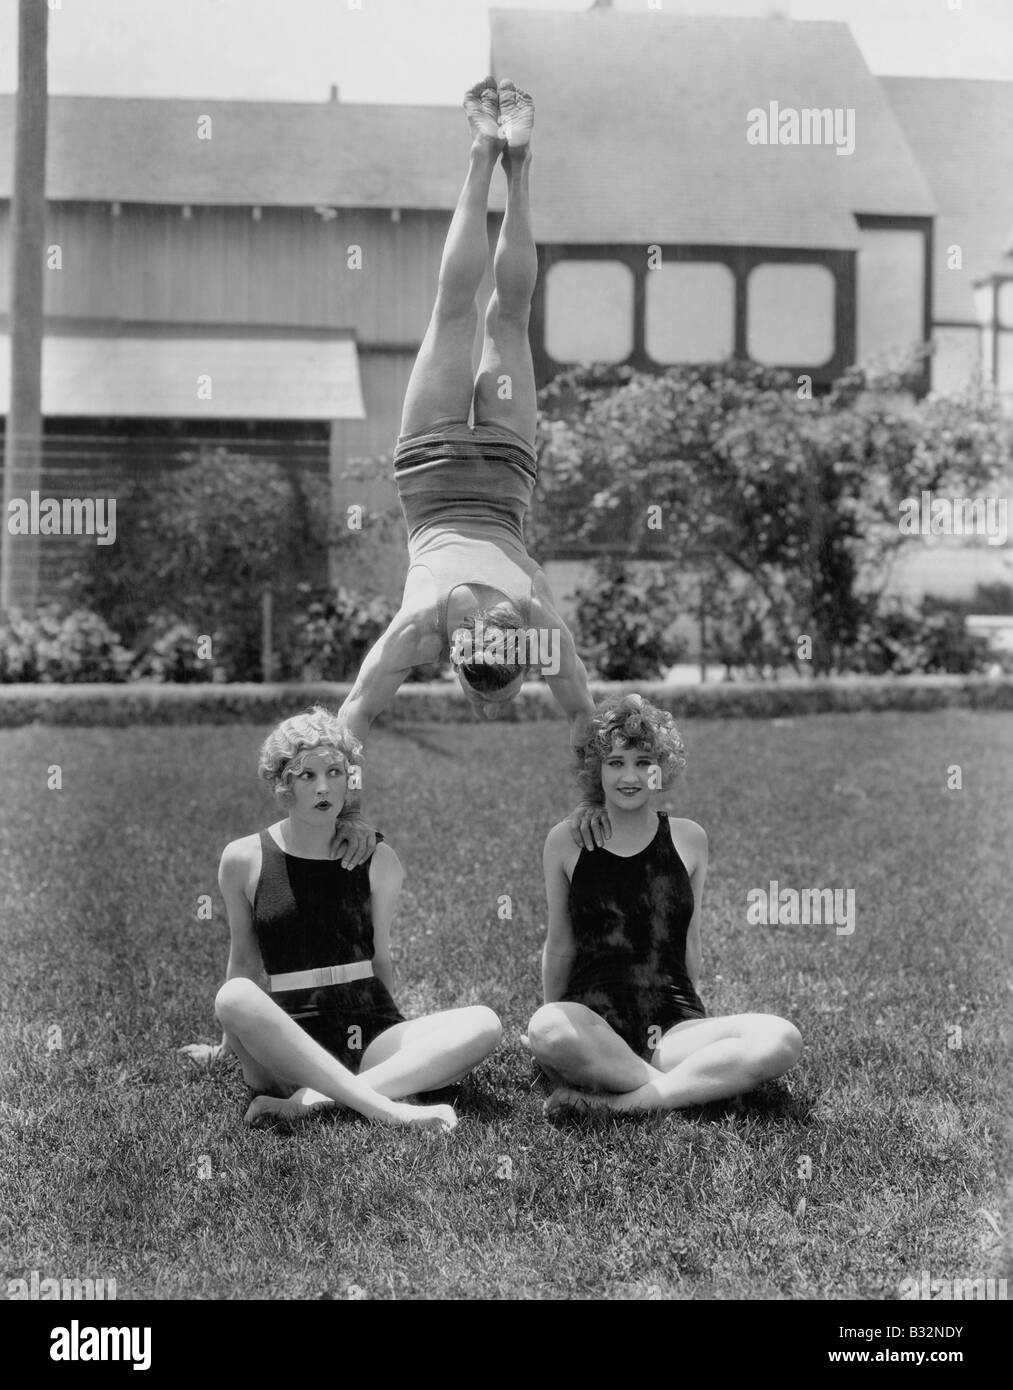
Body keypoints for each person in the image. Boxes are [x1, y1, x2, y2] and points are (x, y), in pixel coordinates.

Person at [332, 77, 609, 864]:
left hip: (505, 469)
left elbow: (584, 716)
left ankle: (513, 161)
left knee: (501, 317)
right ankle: (486, 150)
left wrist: (597, 799)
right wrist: (341, 811)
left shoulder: (536, 633)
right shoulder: (417, 630)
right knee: (458, 309)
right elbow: (353, 715)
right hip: (427, 465)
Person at [179, 706, 502, 1129]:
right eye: (306, 776)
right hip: (289, 1035)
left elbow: (380, 957)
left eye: (334, 772)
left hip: (370, 1025)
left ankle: (315, 1103)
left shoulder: (378, 858)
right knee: (234, 996)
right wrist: (228, 1046)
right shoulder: (243, 858)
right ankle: (386, 1105)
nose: (322, 787)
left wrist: (399, 1034)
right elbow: (243, 958)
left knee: (484, 1023)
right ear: (282, 784)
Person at [526, 694, 802, 1115]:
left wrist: (701, 1020)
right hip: (595, 1020)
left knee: (782, 1037)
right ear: (596, 771)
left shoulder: (690, 839)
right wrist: (554, 1021)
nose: (630, 776)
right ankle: (698, 1089)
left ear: (662, 768)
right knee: (546, 1027)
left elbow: (690, 940)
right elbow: (560, 944)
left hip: (673, 1027)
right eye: (616, 762)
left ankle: (624, 1104)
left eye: (643, 762)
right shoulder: (566, 841)